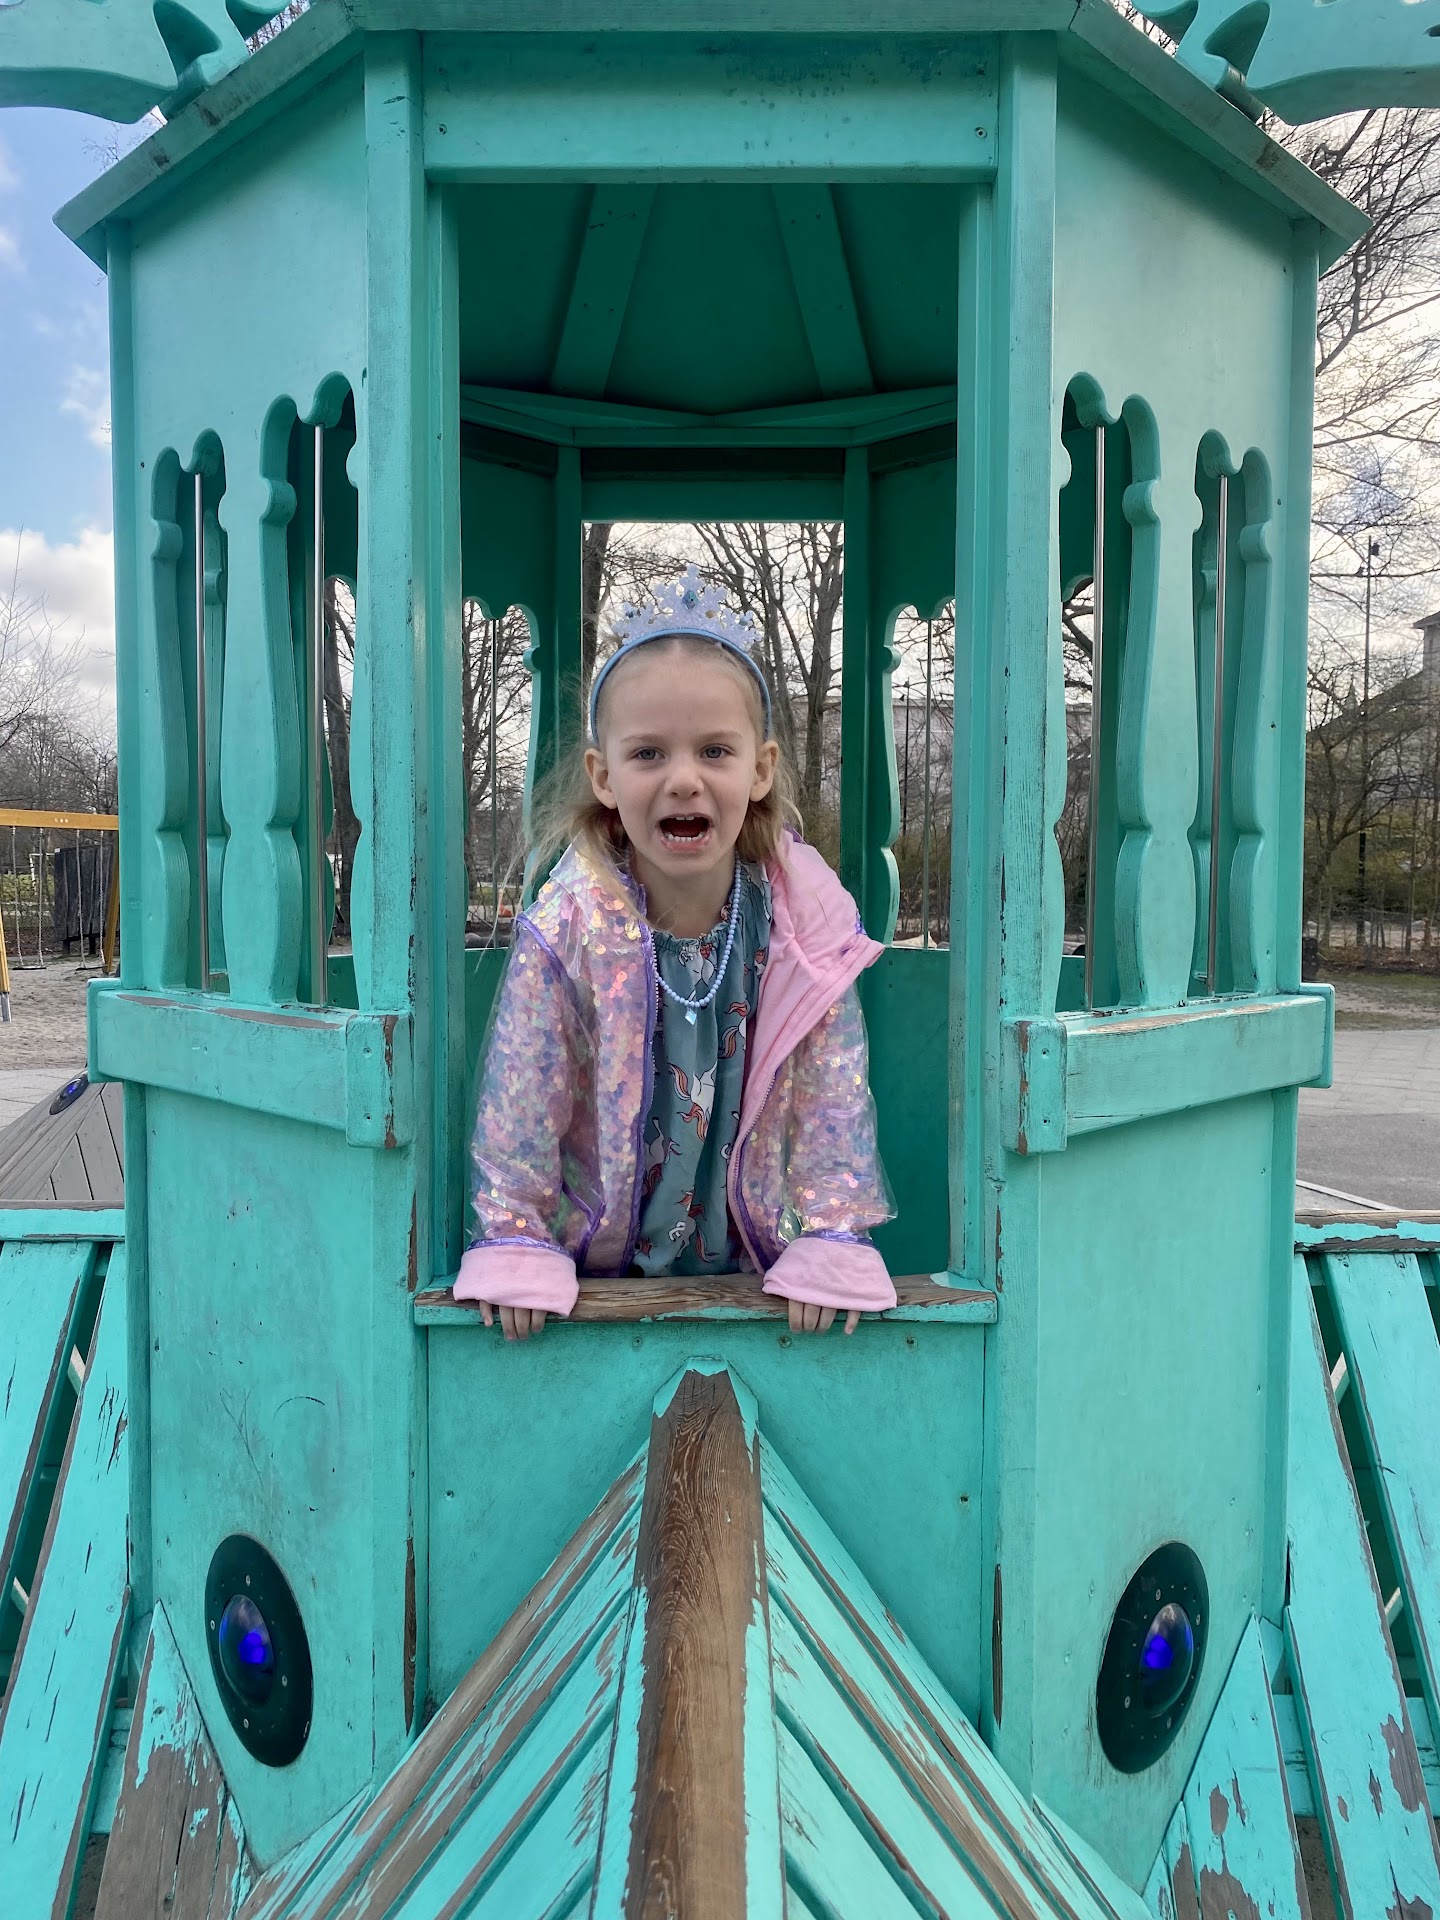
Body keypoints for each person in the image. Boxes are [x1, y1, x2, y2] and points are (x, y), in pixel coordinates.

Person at [454, 568, 895, 1340]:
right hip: (597, 1279)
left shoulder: (802, 926)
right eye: (649, 754)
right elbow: (523, 1095)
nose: (683, 779)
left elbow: (832, 1098)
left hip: (753, 1274)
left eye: (715, 751)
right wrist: (516, 1236)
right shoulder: (572, 924)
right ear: (604, 777)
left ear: (760, 770)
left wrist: (832, 1233)